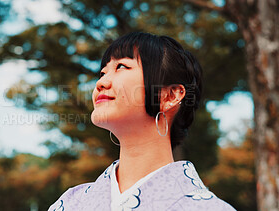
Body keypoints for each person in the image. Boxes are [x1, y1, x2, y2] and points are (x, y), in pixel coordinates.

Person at [48, 32, 236, 211]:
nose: (101, 83)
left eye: (121, 66)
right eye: (103, 73)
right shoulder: (71, 202)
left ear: (169, 95)